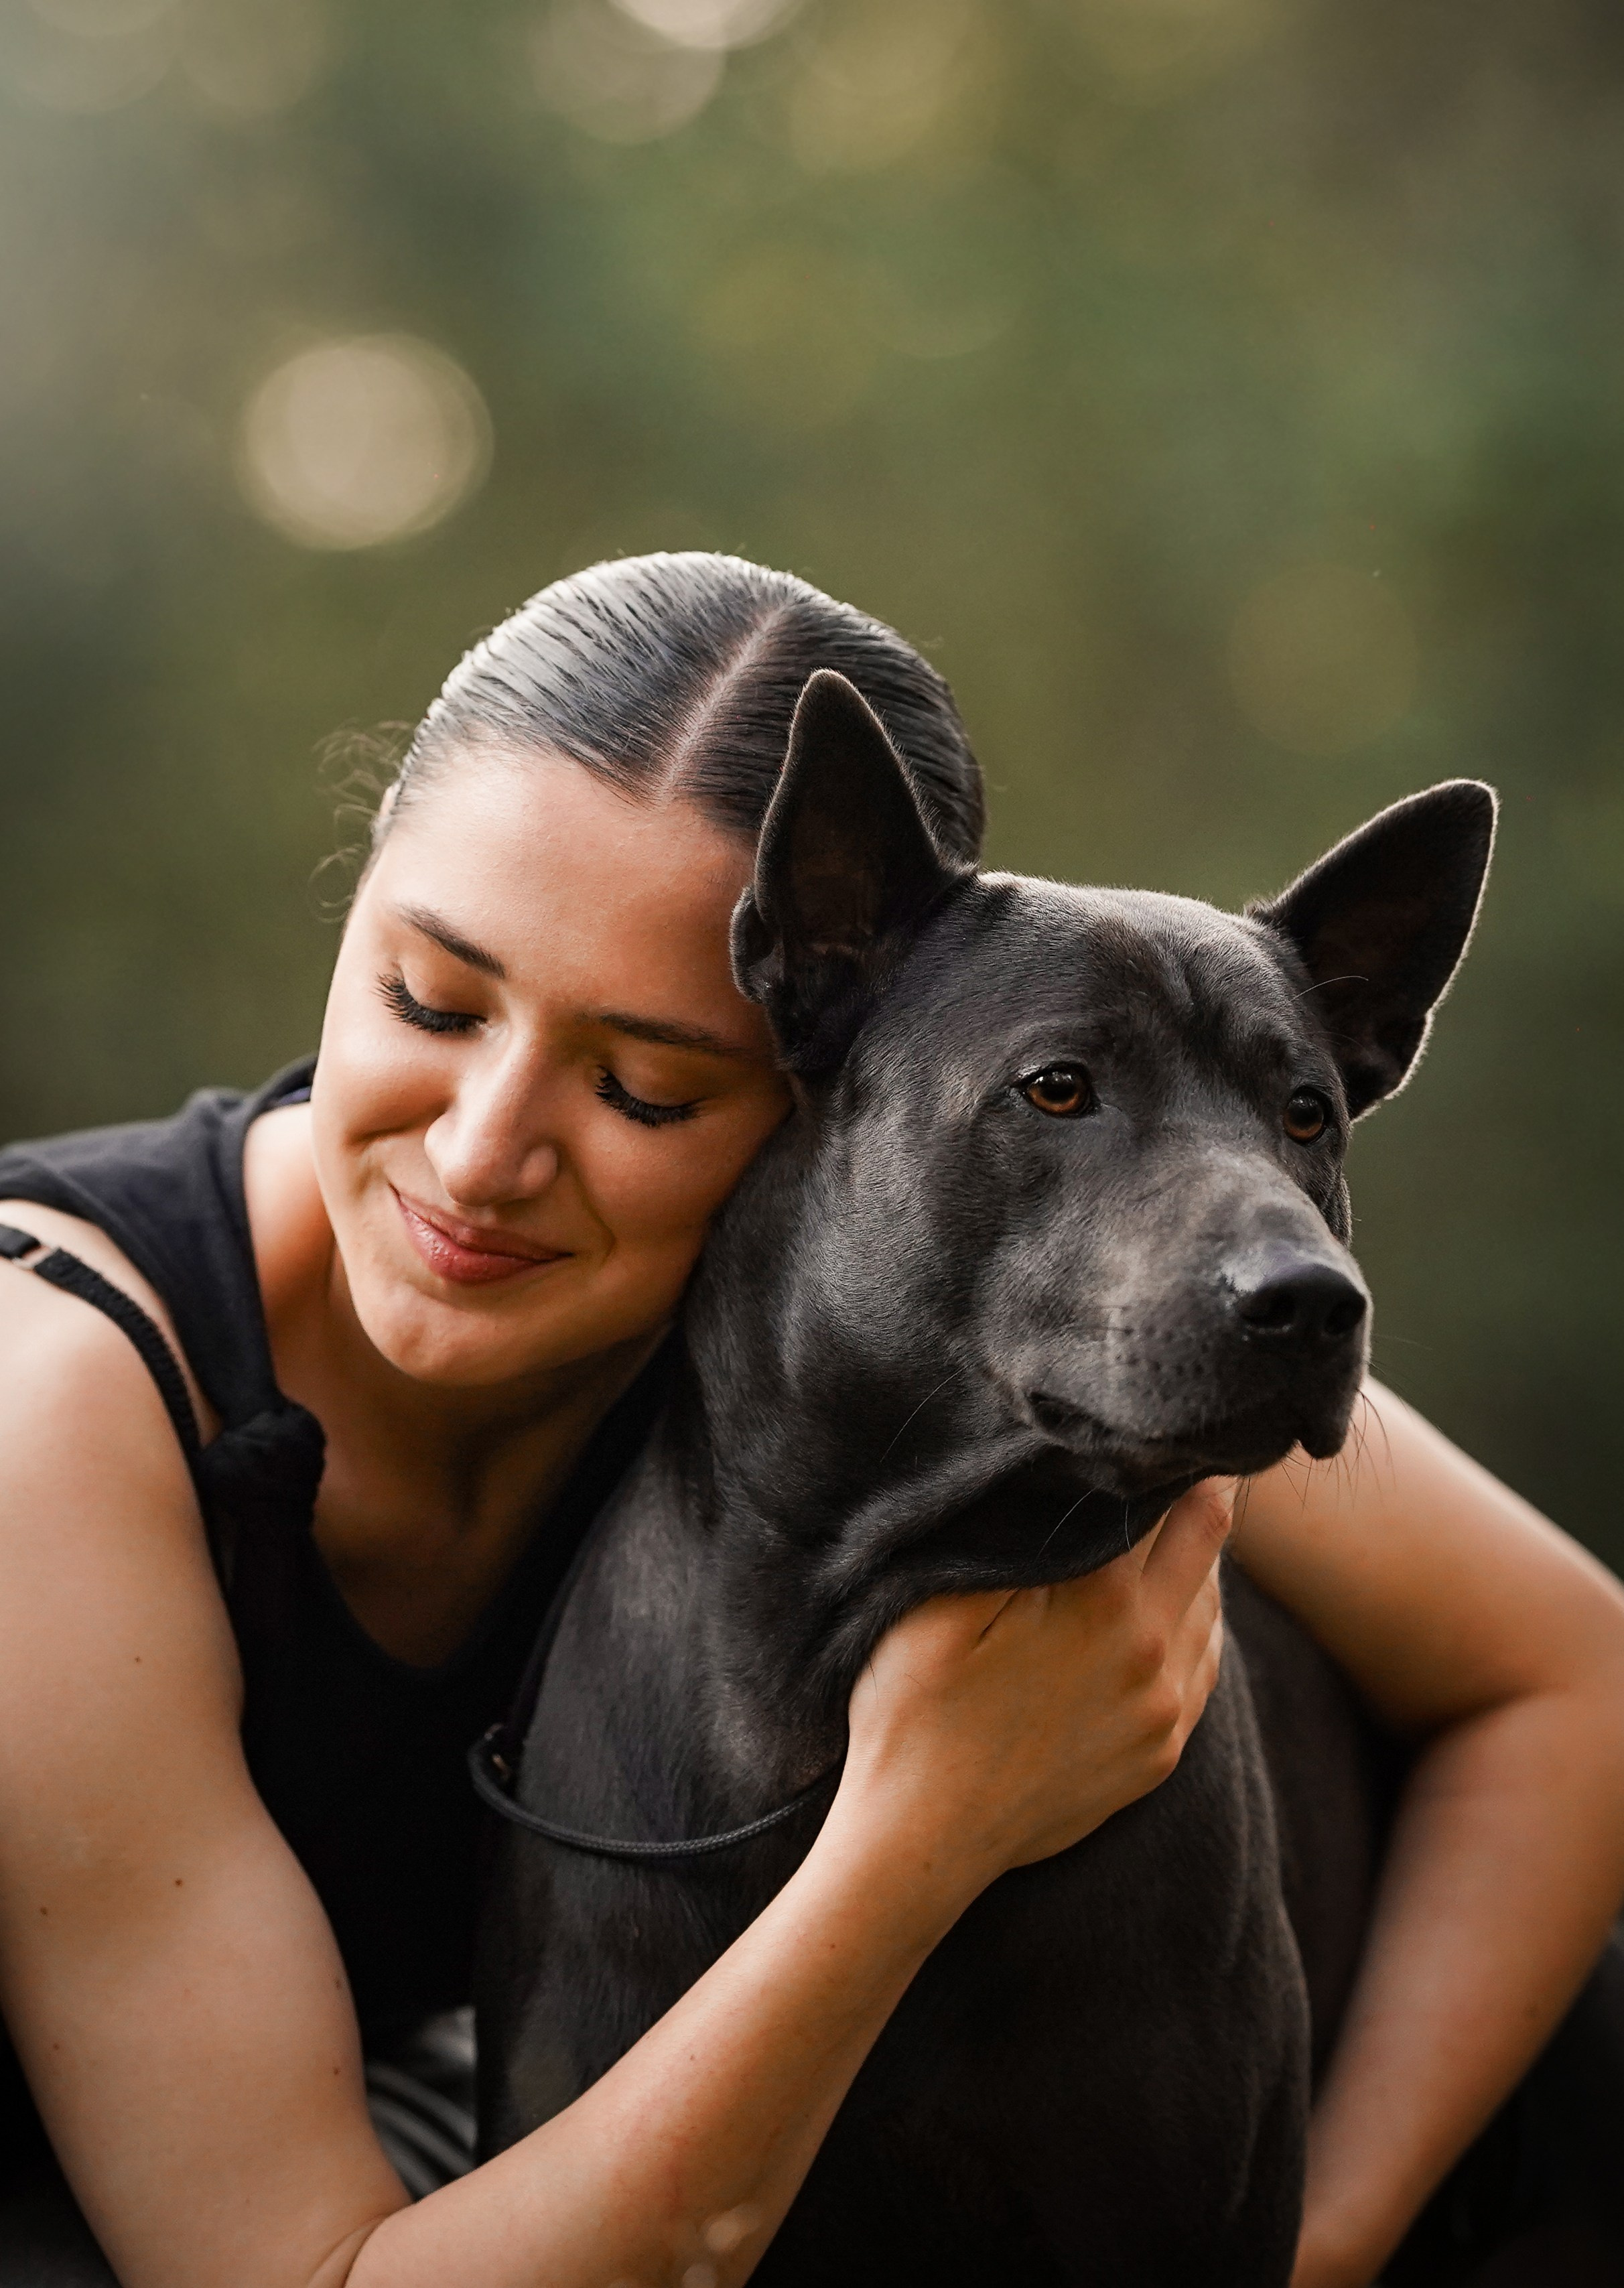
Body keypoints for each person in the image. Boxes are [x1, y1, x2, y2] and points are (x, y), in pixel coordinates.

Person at [0, 553, 1619, 2288]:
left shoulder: (871, 1305)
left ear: (822, 1105)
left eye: (646, 1087)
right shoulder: (52, 1406)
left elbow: (1568, 1674)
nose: (480, 1158)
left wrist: (1331, 2234)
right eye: (431, 1000)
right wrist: (925, 1827)